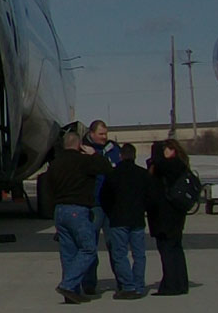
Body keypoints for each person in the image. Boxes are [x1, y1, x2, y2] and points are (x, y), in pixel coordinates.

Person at [47, 130, 114, 304]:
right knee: (88, 249)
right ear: (79, 145)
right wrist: (94, 154)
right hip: (77, 210)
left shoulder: (55, 164)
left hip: (60, 210)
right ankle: (68, 285)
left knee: (68, 253)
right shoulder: (83, 161)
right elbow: (107, 168)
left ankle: (71, 293)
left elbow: (48, 187)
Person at [99, 143, 154, 299]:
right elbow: (150, 197)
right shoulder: (143, 174)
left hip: (118, 220)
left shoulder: (112, 174)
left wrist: (111, 212)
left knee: (120, 255)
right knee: (139, 255)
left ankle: (127, 286)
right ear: (135, 156)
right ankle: (139, 286)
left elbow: (104, 198)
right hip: (137, 219)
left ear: (121, 156)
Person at [80, 120, 122, 295]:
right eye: (101, 134)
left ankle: (122, 281)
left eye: (106, 133)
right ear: (92, 133)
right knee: (90, 245)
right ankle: (89, 283)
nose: (104, 137)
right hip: (94, 204)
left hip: (111, 204)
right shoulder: (83, 151)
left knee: (116, 244)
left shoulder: (113, 149)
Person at [147, 139, 192, 296]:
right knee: (175, 249)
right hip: (175, 214)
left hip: (166, 216)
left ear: (172, 151)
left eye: (166, 149)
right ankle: (179, 283)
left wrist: (156, 155)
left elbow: (153, 175)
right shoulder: (180, 164)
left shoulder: (169, 165)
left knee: (167, 250)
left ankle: (172, 284)